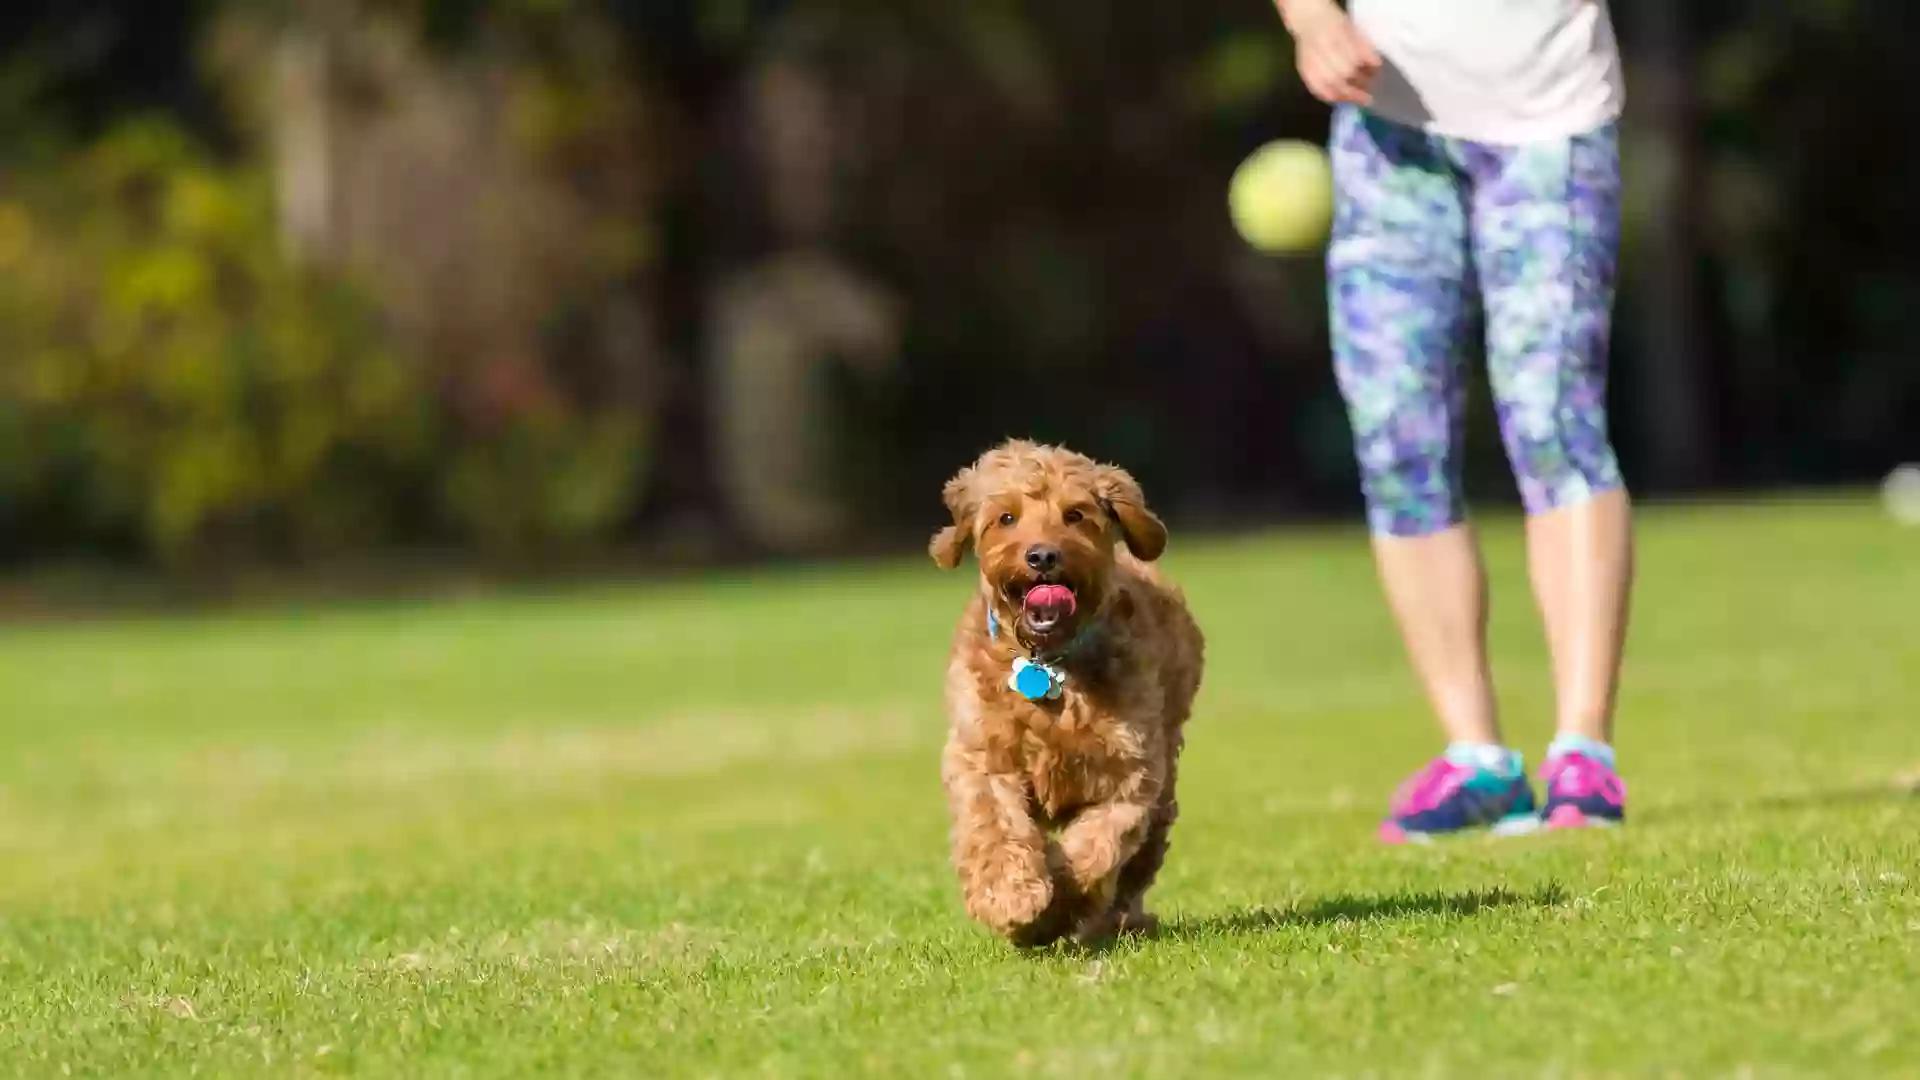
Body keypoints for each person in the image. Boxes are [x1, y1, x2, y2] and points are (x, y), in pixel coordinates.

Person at [1273, 0, 1634, 841]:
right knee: (1396, 440)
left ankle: (1584, 756)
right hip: (1387, 134)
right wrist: (1311, 21)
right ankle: (1477, 759)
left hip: (1554, 123)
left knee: (1554, 423)